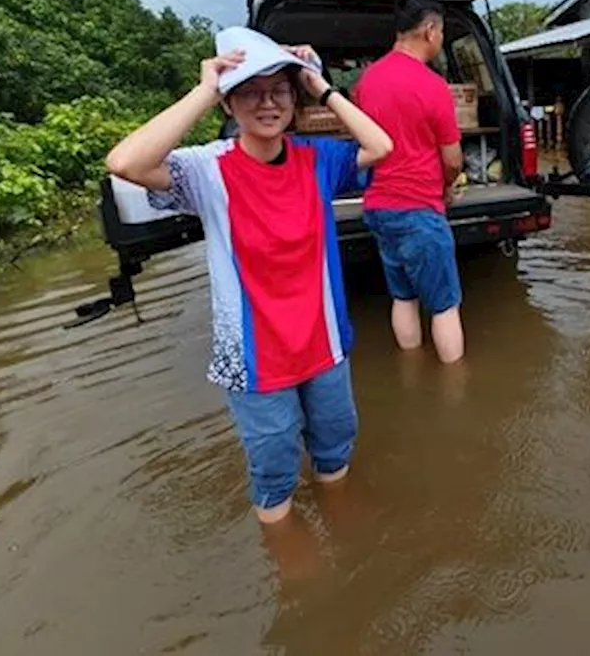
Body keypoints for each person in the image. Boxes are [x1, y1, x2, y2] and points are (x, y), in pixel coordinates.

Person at [105, 28, 393, 524]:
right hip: (254, 358)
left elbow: (380, 144)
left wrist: (319, 85)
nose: (267, 104)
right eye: (250, 92)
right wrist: (204, 89)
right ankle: (290, 568)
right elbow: (125, 163)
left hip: (323, 343)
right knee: (275, 471)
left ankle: (342, 531)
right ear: (228, 103)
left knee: (335, 450)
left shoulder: (317, 158)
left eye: (279, 91)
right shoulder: (205, 170)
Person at [353, 0, 466, 364]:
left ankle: (412, 371)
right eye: (443, 33)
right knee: (445, 306)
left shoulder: (367, 81)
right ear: (430, 30)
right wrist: (448, 186)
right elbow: (452, 158)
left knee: (403, 296)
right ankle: (455, 394)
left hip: (379, 209)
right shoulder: (432, 85)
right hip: (419, 209)